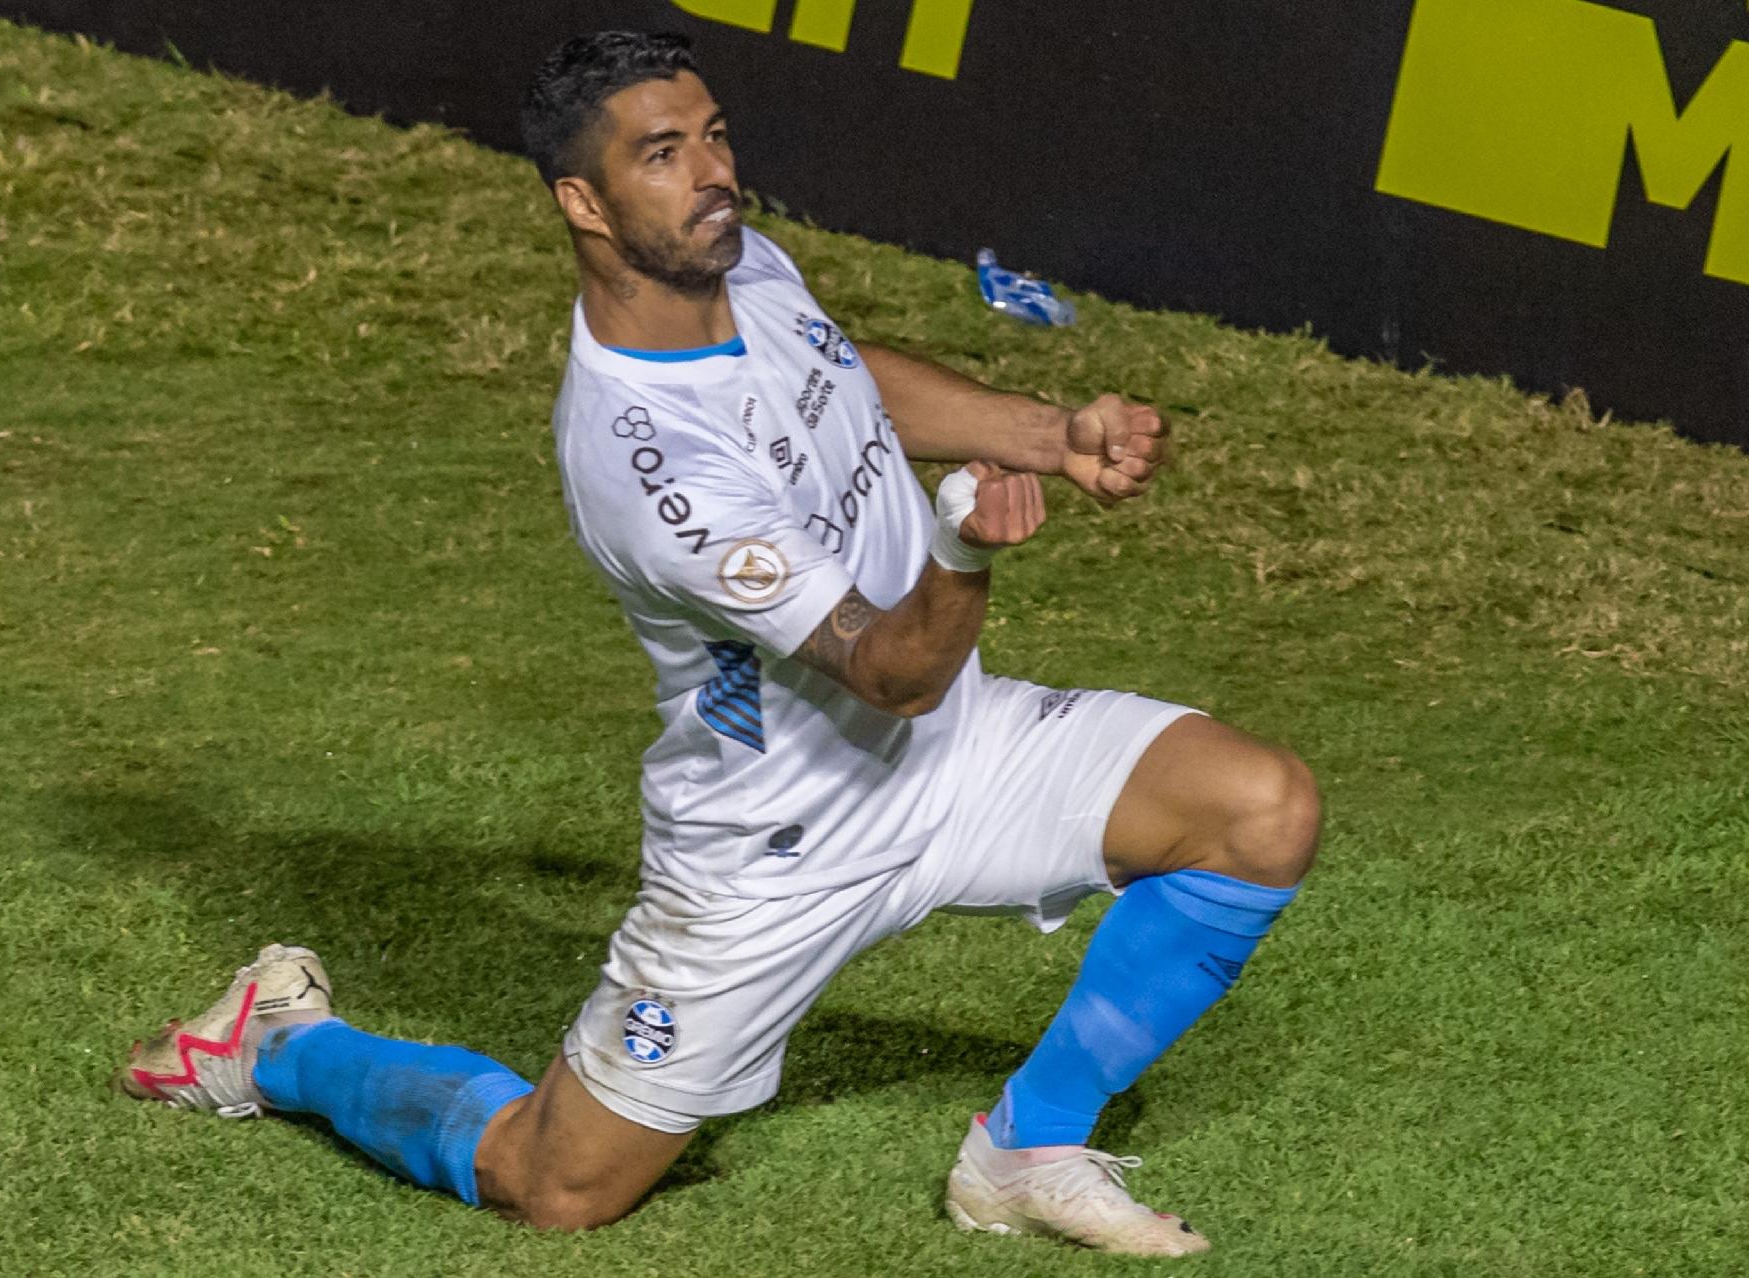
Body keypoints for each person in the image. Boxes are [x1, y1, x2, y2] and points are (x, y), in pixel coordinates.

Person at [117, 30, 1320, 1258]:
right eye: (661, 153)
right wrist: (962, 550)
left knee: (1258, 810)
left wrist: (1039, 430)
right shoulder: (650, 464)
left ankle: (1026, 1148)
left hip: (962, 759)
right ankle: (273, 1042)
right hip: (773, 852)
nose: (711, 174)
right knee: (559, 1184)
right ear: (582, 201)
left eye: (714, 135)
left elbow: (837, 371)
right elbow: (895, 673)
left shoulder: (740, 264)